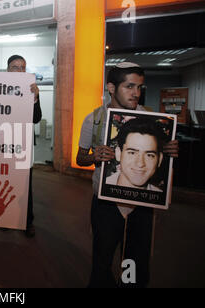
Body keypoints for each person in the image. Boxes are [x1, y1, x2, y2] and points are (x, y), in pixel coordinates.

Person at [76, 62, 178, 288]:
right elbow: (79, 158)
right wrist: (94, 157)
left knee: (136, 261)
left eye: (140, 87)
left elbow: (159, 159)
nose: (136, 94)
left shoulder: (154, 120)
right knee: (102, 260)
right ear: (111, 88)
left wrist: (169, 151)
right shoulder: (94, 120)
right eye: (129, 86)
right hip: (106, 204)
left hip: (141, 205)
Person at [4, 55, 42, 237]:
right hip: (3, 145)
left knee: (25, 186)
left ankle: (27, 222)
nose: (19, 71)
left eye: (22, 67)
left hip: (23, 146)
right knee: (4, 183)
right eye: (15, 67)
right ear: (7, 70)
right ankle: (5, 219)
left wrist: (35, 98)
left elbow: (36, 118)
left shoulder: (31, 91)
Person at [105, 117, 168, 192]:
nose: (140, 163)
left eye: (149, 155)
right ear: (118, 154)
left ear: (159, 159)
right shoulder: (101, 188)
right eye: (132, 153)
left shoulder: (160, 199)